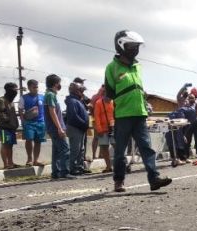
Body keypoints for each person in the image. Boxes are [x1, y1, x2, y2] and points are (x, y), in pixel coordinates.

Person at [104, 30, 172, 192]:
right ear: (121, 46)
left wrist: (144, 101)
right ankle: (119, 181)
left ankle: (154, 179)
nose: (136, 49)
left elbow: (139, 89)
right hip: (123, 115)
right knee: (120, 151)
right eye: (132, 46)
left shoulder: (138, 66)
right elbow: (110, 93)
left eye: (137, 46)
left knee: (146, 148)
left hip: (140, 114)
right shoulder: (112, 67)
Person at [44, 74, 74, 180]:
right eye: (59, 83)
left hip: (53, 127)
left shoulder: (49, 94)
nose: (60, 85)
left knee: (56, 151)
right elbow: (52, 112)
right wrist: (59, 128)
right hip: (55, 127)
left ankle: (55, 172)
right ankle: (64, 172)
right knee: (65, 149)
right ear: (55, 84)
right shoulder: (50, 95)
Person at [19, 79, 46, 167]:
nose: (36, 89)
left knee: (38, 141)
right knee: (29, 140)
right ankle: (29, 159)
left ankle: (36, 160)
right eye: (34, 87)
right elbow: (20, 109)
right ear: (29, 87)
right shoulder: (24, 97)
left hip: (40, 122)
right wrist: (23, 121)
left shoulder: (42, 97)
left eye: (37, 87)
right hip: (29, 123)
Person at [65, 82, 90, 175]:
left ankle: (79, 167)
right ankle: (72, 168)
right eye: (81, 90)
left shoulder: (79, 100)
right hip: (75, 127)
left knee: (81, 149)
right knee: (75, 149)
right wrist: (83, 124)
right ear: (76, 91)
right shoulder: (72, 101)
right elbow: (73, 116)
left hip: (80, 128)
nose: (83, 92)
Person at [0, 82, 20, 169]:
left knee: (10, 145)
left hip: (12, 127)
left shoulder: (11, 101)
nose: (16, 92)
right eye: (15, 89)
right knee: (5, 144)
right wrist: (7, 120)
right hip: (4, 127)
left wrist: (15, 123)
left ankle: (11, 163)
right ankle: (6, 164)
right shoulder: (1, 100)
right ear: (9, 90)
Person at [93, 85, 115, 173]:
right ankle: (108, 167)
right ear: (105, 93)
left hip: (113, 129)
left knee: (116, 146)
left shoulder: (113, 102)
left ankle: (119, 165)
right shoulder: (98, 103)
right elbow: (96, 117)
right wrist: (99, 130)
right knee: (104, 148)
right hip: (102, 130)